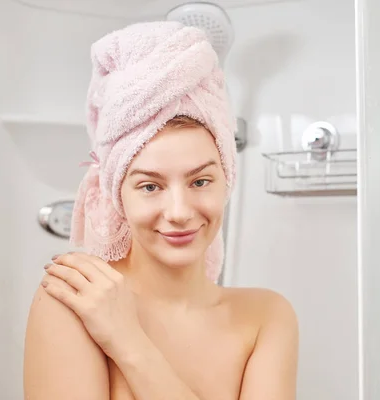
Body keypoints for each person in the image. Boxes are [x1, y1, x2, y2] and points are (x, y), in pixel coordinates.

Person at [23, 21, 299, 400]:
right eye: (150, 186)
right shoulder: (76, 300)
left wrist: (127, 341)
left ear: (228, 178)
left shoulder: (266, 318)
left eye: (200, 181)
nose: (180, 212)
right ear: (117, 191)